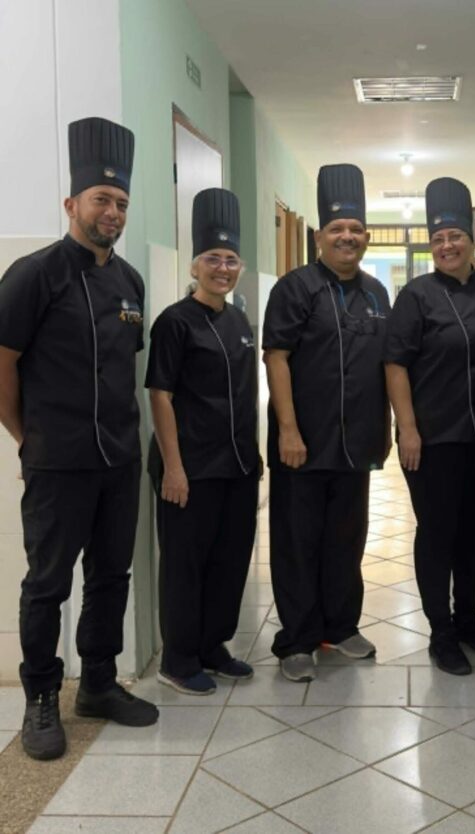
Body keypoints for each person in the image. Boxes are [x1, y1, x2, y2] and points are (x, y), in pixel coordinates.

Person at [0, 117, 158, 761]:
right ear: (72, 204)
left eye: (121, 202)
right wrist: (28, 438)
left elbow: (125, 371)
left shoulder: (131, 282)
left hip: (118, 459)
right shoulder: (33, 274)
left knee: (111, 576)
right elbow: (2, 366)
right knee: (47, 584)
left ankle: (97, 683)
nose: (112, 212)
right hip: (57, 462)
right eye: (101, 199)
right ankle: (41, 697)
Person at [262, 164, 391, 682]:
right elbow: (276, 358)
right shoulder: (295, 289)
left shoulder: (377, 294)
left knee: (347, 538)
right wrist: (288, 430)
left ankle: (340, 627)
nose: (347, 236)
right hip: (303, 442)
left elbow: (383, 366)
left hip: (356, 443)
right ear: (319, 237)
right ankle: (297, 640)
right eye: (337, 228)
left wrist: (383, 427)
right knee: (298, 542)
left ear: (366, 237)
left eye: (356, 229)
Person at [385, 177, 475, 675]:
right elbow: (395, 364)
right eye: (438, 238)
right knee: (437, 532)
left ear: (472, 237)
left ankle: (469, 618)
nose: (446, 245)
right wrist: (408, 429)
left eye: (455, 236)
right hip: (434, 438)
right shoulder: (416, 296)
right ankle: (441, 631)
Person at [146, 188, 260, 695]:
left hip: (237, 466)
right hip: (189, 468)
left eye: (231, 260)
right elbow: (161, 395)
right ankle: (178, 658)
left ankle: (213, 646)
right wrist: (173, 467)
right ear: (195, 266)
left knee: (229, 562)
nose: (223, 268)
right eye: (213, 258)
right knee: (185, 566)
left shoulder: (238, 320)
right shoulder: (174, 322)